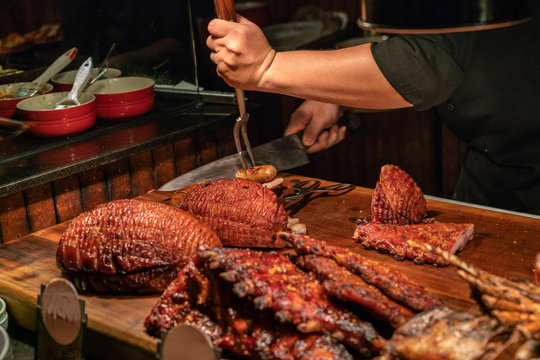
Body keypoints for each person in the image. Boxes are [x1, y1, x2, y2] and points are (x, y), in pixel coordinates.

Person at [205, 5, 540, 215]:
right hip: (491, 177)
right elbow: (411, 47)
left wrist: (267, 67)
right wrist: (333, 95)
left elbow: (425, 65)